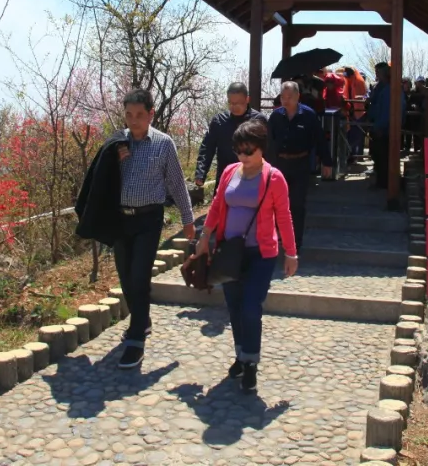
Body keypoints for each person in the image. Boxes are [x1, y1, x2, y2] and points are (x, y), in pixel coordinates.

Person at [196, 119, 298, 393]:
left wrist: (291, 253)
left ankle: (251, 362)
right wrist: (205, 237)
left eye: (249, 151)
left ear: (261, 148)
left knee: (251, 307)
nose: (243, 156)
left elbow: (284, 217)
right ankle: (241, 355)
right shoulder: (230, 171)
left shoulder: (273, 177)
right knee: (234, 306)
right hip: (230, 252)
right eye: (239, 150)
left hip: (260, 254)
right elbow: (217, 206)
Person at [110, 89, 195, 368]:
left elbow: (176, 183)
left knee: (139, 277)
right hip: (121, 220)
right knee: (125, 277)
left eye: (139, 115)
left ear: (150, 114)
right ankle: (142, 319)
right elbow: (101, 180)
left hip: (149, 219)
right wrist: (114, 163)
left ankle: (136, 339)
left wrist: (188, 219)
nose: (134, 121)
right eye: (129, 115)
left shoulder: (163, 144)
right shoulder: (117, 142)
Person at [266, 81, 333, 251]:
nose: (286, 100)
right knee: (276, 203)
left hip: (300, 163)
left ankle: (296, 242)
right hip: (279, 164)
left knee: (297, 204)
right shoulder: (275, 117)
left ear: (297, 97)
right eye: (283, 97)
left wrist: (326, 161)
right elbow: (267, 143)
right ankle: (278, 237)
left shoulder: (309, 115)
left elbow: (319, 139)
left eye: (289, 97)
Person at [194, 82, 266, 195]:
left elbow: (268, 150)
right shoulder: (219, 121)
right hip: (225, 176)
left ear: (247, 99)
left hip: (252, 176)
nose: (233, 107)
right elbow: (207, 147)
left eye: (237, 103)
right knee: (220, 210)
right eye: (230, 103)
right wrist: (200, 173)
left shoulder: (258, 120)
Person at [365, 62, 406, 189]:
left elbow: (387, 111)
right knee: (380, 156)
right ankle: (383, 181)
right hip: (382, 125)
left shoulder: (390, 90)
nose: (377, 74)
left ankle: (384, 183)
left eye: (379, 72)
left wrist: (379, 127)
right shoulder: (385, 88)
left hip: (384, 128)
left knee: (383, 157)